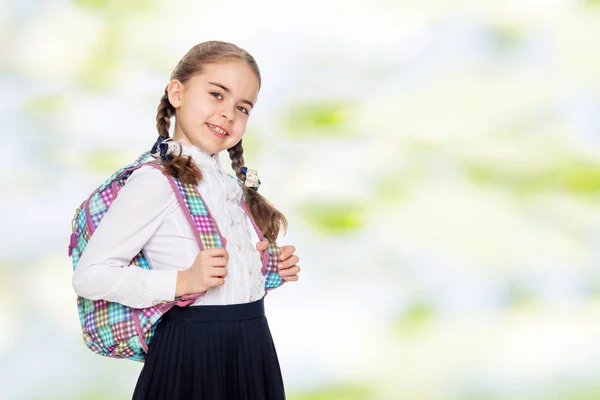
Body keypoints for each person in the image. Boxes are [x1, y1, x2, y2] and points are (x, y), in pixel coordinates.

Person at [71, 40, 301, 400]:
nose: (228, 113)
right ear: (176, 92)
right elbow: (90, 275)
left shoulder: (227, 185)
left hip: (252, 343)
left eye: (242, 107)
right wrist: (182, 280)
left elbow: (229, 281)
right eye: (216, 94)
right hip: (191, 351)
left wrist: (265, 266)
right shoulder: (155, 180)